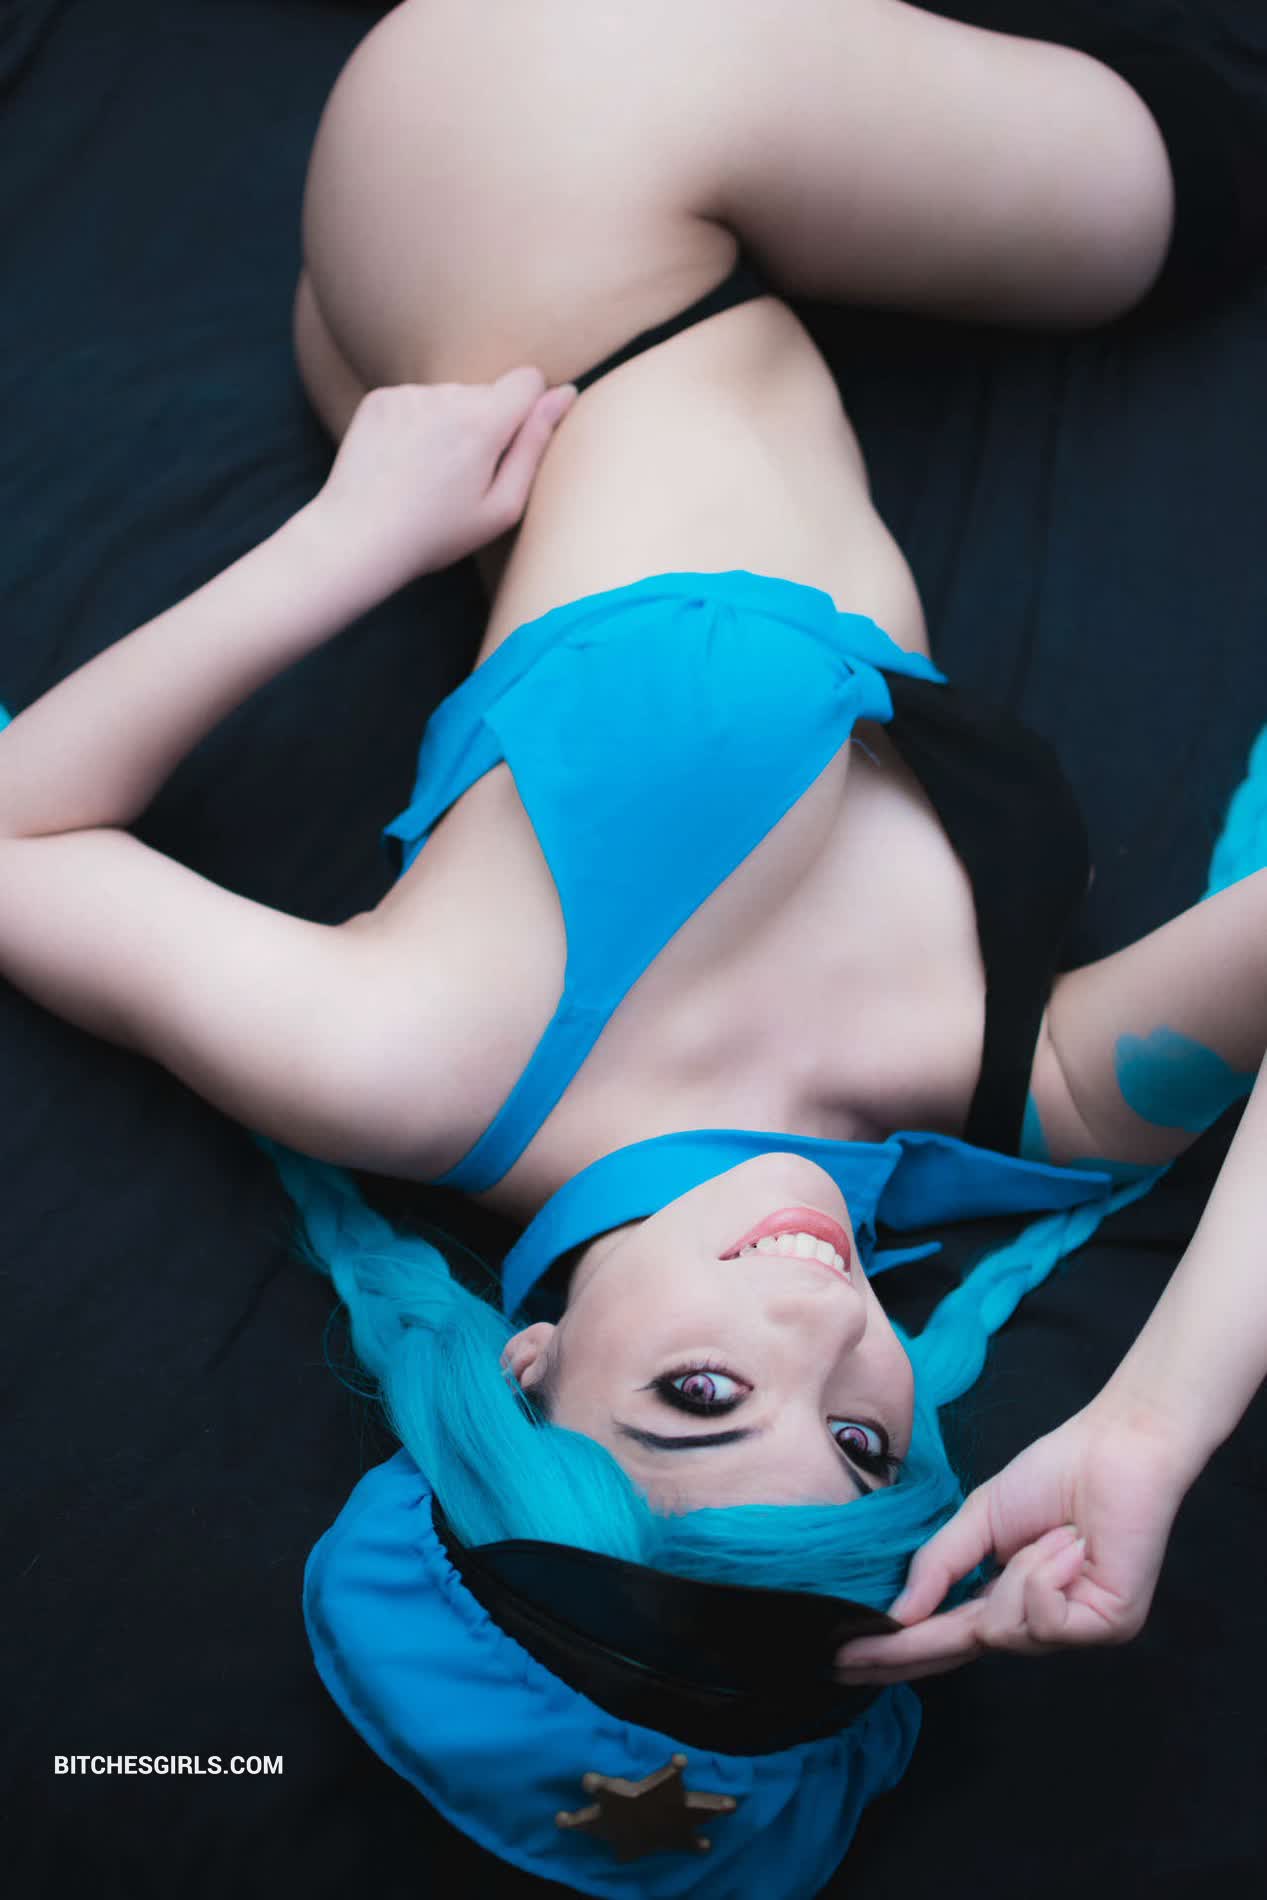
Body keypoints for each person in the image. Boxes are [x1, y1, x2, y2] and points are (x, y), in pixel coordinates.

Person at [2, 1, 1266, 1888]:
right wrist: (1157, 1422)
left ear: (529, 1369)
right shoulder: (1040, 1109)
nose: (819, 1327)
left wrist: (346, 543)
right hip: (609, 297)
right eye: (863, 1446)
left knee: (1212, 154)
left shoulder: (425, 1067)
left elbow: (18, 839)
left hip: (550, 172)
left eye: (702, 1400)